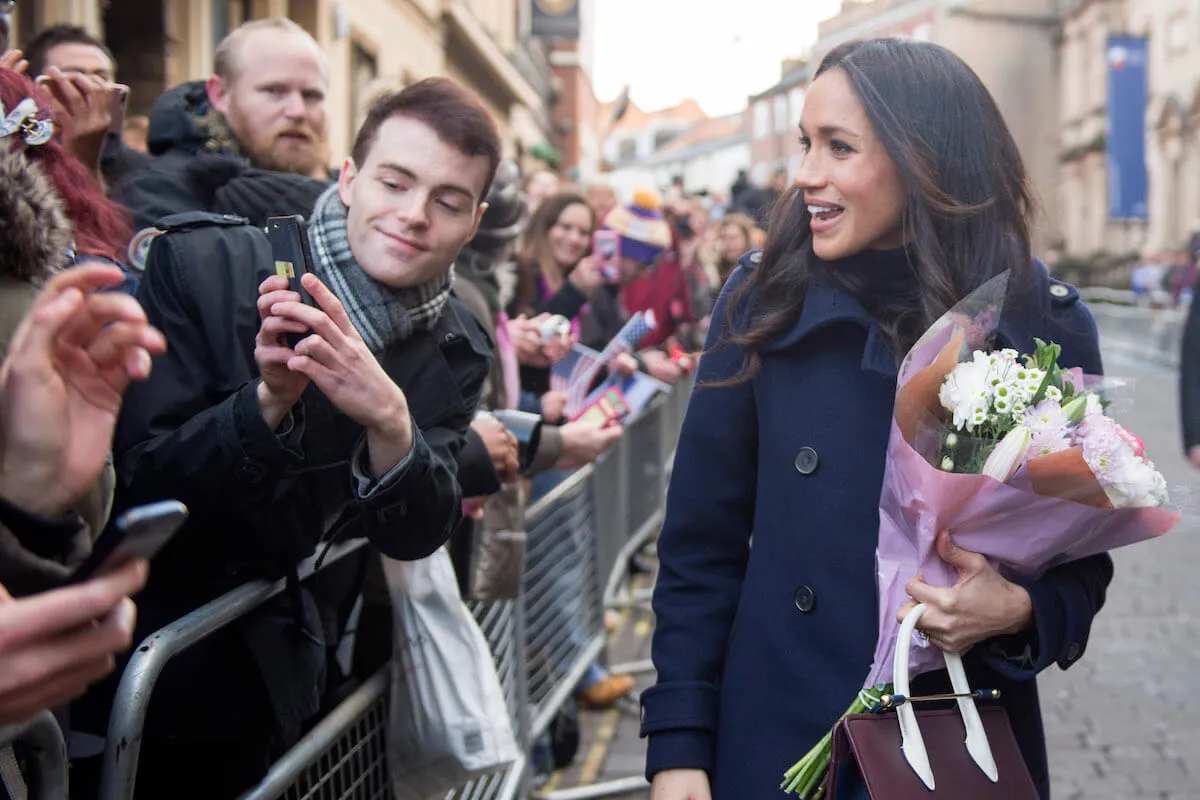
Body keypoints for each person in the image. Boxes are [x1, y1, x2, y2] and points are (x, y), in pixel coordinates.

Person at [643, 38, 1112, 800]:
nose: (805, 176)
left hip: (950, 749)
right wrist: (678, 749)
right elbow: (700, 549)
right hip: (775, 737)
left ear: (922, 158)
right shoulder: (762, 303)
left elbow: (1084, 559)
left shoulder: (1037, 320)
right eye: (804, 143)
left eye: (838, 147)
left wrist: (1017, 609)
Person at [71, 77, 497, 797]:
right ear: (350, 176)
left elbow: (417, 530)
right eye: (395, 182)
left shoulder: (458, 345)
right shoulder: (205, 267)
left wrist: (391, 421)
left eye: (448, 201)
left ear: (475, 221)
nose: (414, 215)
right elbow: (137, 485)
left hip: (297, 687)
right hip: (147, 686)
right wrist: (266, 403)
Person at [111, 17, 330, 234]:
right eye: (273, 91)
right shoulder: (161, 196)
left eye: (311, 95)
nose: (298, 111)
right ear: (220, 94)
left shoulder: (349, 193)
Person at [21, 24, 151, 187]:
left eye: (101, 76)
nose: (92, 87)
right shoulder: (17, 161)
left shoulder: (144, 173)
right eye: (74, 76)